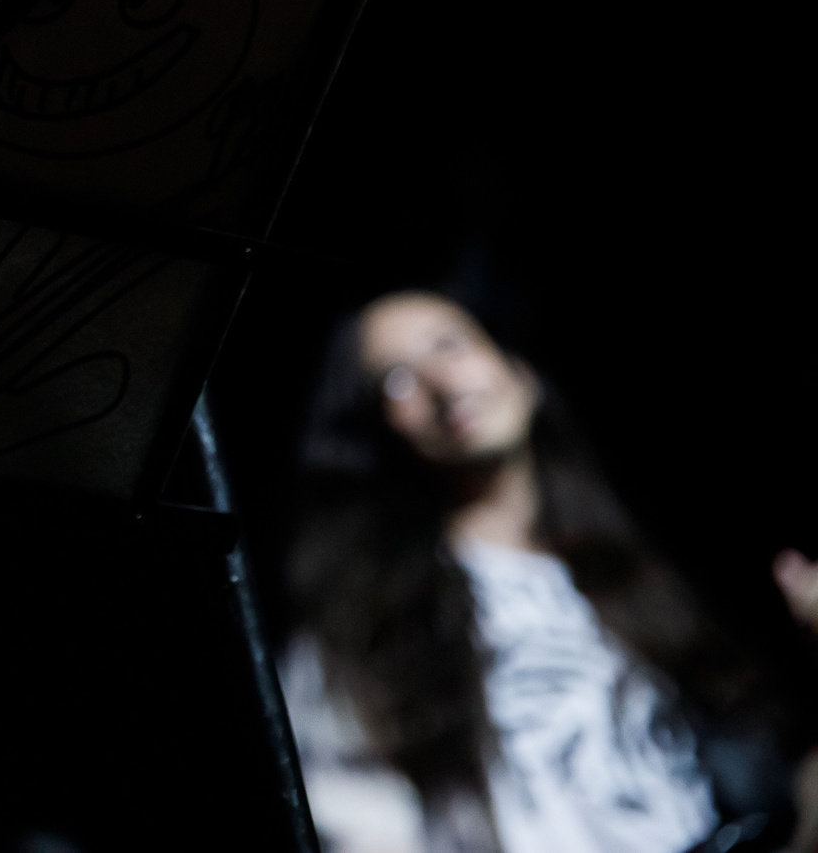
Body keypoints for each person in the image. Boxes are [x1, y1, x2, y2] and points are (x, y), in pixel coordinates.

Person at [283, 290, 803, 853]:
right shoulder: (366, 632)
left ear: (519, 369)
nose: (443, 382)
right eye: (396, 379)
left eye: (451, 344)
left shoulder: (634, 568)